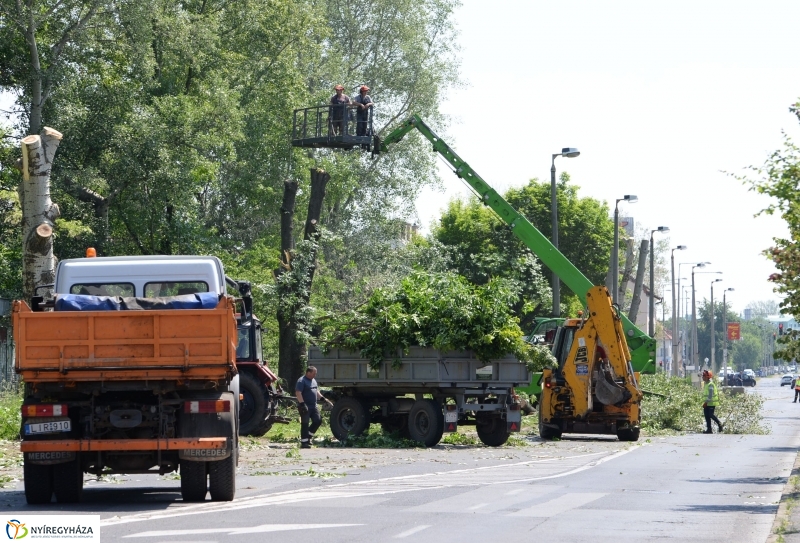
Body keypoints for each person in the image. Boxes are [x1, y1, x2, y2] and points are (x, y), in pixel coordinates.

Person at [295, 366, 332, 448]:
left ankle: (308, 436)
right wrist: (302, 404)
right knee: (305, 423)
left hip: (313, 406)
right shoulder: (301, 381)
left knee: (318, 420)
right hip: (305, 406)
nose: (315, 375)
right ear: (308, 372)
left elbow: (316, 391)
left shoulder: (313, 380)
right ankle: (304, 442)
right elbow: (298, 393)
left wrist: (323, 399)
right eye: (314, 373)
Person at [701, 369, 723, 434]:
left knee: (710, 414)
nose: (703, 377)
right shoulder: (705, 384)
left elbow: (710, 395)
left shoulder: (710, 384)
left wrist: (706, 402)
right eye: (703, 376)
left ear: (708, 377)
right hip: (707, 403)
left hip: (711, 403)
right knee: (706, 416)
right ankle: (709, 429)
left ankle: (720, 424)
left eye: (704, 376)